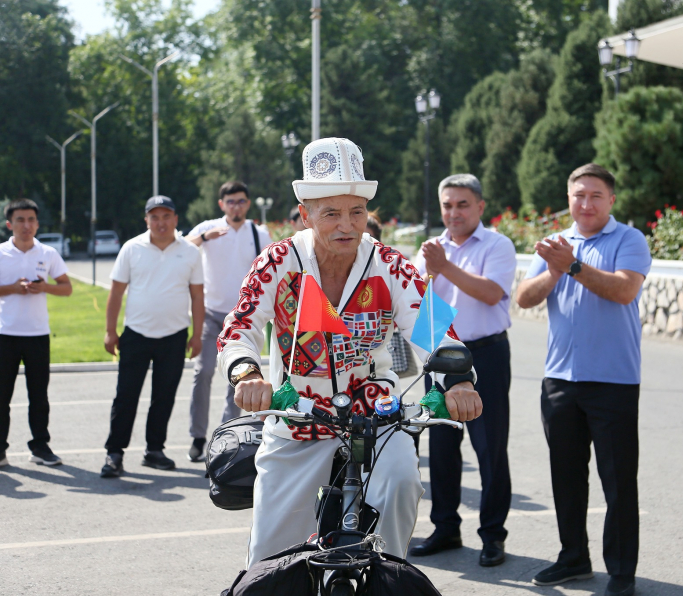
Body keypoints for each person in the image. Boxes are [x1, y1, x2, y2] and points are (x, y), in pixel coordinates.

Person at [216, 137, 483, 567]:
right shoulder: (278, 261)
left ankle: (388, 575)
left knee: (402, 484)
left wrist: (460, 380)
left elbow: (436, 327)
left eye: (356, 212)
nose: (347, 225)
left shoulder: (391, 265)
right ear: (305, 215)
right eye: (331, 214)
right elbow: (240, 325)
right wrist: (246, 375)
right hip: (297, 418)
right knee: (268, 558)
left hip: (377, 418)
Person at [515, 164, 651, 596]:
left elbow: (624, 290)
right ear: (569, 199)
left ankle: (621, 572)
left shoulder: (629, 239)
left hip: (612, 381)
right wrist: (555, 270)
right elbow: (524, 297)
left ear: (611, 200)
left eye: (595, 195)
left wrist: (572, 267)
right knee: (566, 476)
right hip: (560, 379)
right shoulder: (558, 245)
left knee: (617, 481)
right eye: (578, 195)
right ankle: (573, 556)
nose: (586, 203)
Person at [411, 174, 517, 567]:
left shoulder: (497, 245)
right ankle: (445, 527)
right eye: (447, 205)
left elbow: (492, 293)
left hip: (485, 354)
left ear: (480, 207)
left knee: (489, 448)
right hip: (441, 358)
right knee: (440, 447)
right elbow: (414, 304)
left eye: (462, 205)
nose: (453, 213)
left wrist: (445, 267)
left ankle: (492, 535)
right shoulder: (429, 249)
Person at [100, 196, 204, 478]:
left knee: (164, 397)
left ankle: (154, 451)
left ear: (175, 219)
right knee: (126, 396)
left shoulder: (190, 252)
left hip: (174, 336)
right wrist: (110, 330)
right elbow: (116, 292)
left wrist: (197, 335)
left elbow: (197, 296)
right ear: (146, 220)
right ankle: (114, 453)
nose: (161, 222)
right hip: (136, 334)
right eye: (154, 217)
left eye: (166, 216)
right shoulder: (132, 248)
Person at [183, 181, 271, 462]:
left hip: (243, 319)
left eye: (241, 201)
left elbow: (272, 266)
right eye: (231, 202)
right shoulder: (207, 228)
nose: (236, 206)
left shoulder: (258, 233)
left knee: (239, 379)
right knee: (203, 373)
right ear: (222, 204)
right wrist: (204, 238)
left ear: (248, 203)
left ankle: (223, 436)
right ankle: (197, 437)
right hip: (211, 315)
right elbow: (181, 249)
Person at [0, 199, 72, 468]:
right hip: (5, 333)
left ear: (37, 224)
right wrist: (12, 288)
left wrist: (44, 288)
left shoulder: (48, 253)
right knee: (2, 395)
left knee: (39, 396)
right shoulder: (2, 253)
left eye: (31, 220)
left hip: (38, 334)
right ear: (10, 224)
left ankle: (40, 447)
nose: (26, 225)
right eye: (20, 220)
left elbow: (66, 288)